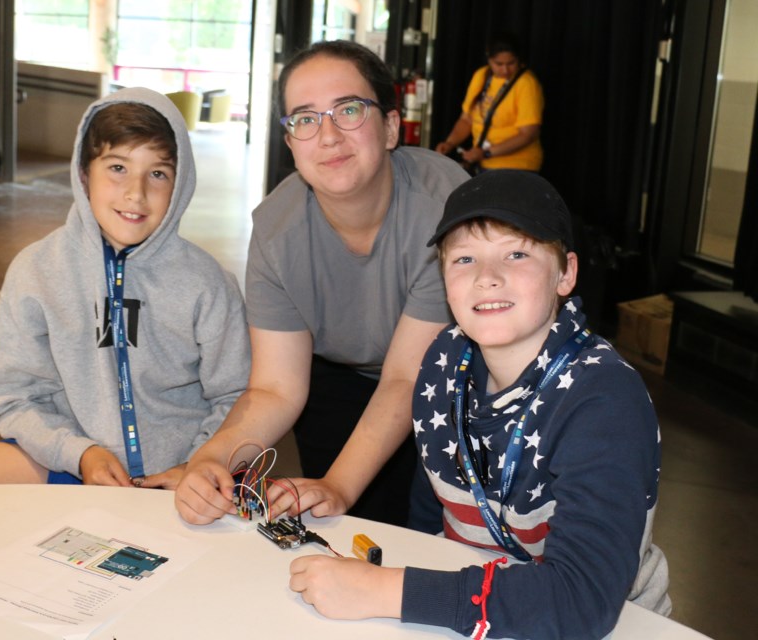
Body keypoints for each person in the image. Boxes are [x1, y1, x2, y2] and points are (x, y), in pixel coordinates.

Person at [288, 170, 671, 639]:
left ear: (566, 273)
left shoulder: (604, 398)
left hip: (606, 622)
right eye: (465, 258)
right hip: (476, 608)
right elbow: (433, 508)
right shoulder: (445, 359)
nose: (488, 278)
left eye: (517, 253)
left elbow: (582, 601)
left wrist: (388, 592)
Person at [0, 87, 250, 491]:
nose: (135, 193)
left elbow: (238, 397)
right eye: (117, 168)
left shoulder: (207, 283)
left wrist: (197, 462)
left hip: (181, 476)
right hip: (64, 464)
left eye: (157, 173)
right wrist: (79, 453)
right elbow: (14, 399)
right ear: (84, 173)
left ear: (180, 185)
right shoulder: (35, 270)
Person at [174, 40, 469, 527]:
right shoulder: (276, 232)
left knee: (430, 528)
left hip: (445, 380)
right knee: (339, 524)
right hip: (339, 377)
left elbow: (404, 379)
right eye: (305, 119)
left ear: (391, 127)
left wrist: (341, 483)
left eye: (348, 110)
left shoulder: (443, 210)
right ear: (290, 143)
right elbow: (275, 388)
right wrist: (213, 457)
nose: (327, 136)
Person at [435, 32, 544, 173]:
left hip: (517, 166)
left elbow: (528, 134)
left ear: (519, 59)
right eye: (499, 64)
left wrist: (486, 153)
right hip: (484, 164)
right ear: (489, 59)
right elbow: (467, 119)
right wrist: (450, 143)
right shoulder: (481, 75)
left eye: (511, 63)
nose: (505, 70)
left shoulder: (527, 84)